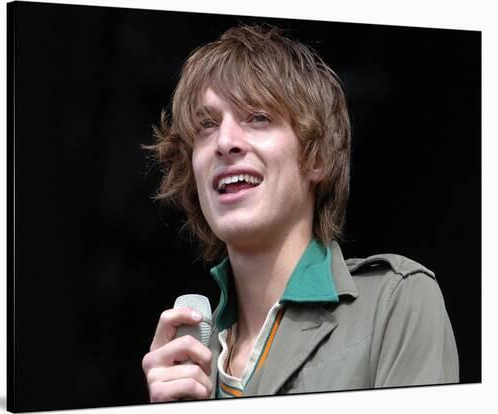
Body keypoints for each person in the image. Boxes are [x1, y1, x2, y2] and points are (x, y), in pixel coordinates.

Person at [141, 24, 459, 402]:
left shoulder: (395, 303)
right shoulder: (189, 364)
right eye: (207, 125)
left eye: (257, 116)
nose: (224, 142)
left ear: (317, 156)